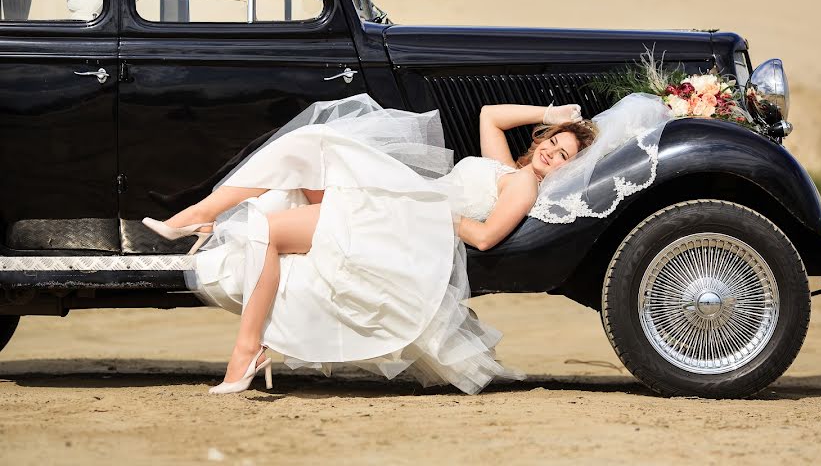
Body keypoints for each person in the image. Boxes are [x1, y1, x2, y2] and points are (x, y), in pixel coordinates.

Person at [142, 94, 597, 395]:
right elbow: (489, 116)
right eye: (552, 143)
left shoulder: (523, 188)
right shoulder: (508, 170)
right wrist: (551, 115)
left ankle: (247, 351)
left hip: (406, 222)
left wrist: (429, 208)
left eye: (562, 157)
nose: (550, 153)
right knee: (305, 146)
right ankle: (200, 217)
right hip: (398, 207)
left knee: (273, 221)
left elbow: (483, 236)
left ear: (566, 171)